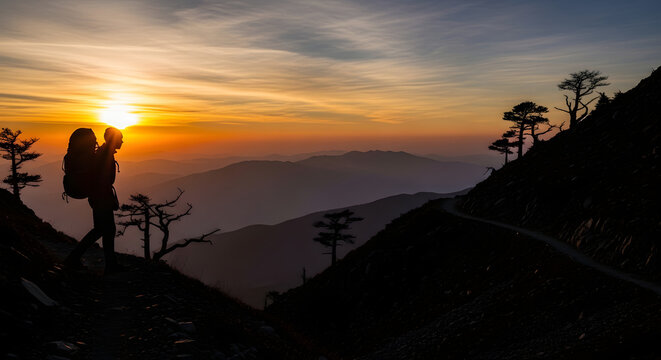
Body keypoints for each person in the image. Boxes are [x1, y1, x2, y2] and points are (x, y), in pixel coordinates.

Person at [65, 127, 125, 274]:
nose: (122, 141)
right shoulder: (105, 154)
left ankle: (107, 264)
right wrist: (104, 196)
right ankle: (108, 265)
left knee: (101, 230)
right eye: (120, 138)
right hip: (101, 197)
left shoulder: (103, 152)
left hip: (98, 196)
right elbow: (102, 178)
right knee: (106, 230)